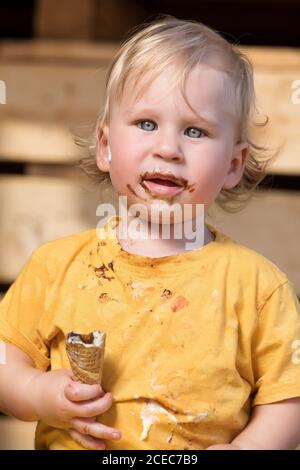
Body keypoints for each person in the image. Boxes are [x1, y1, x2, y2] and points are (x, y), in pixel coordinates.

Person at [1, 15, 300, 451]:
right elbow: (6, 358)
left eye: (195, 131)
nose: (167, 148)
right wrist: (36, 393)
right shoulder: (57, 267)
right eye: (146, 124)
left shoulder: (257, 287)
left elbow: (288, 398)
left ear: (233, 165)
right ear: (105, 146)